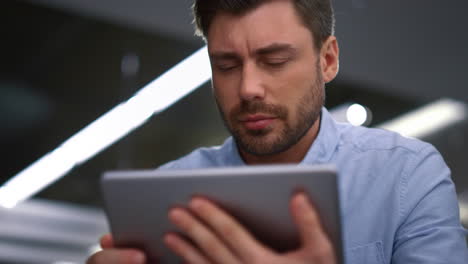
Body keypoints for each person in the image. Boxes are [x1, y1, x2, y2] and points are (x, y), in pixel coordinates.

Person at [87, 0, 468, 263]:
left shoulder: (406, 174)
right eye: (226, 65)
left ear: (328, 60)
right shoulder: (170, 188)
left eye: (275, 60)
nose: (248, 87)